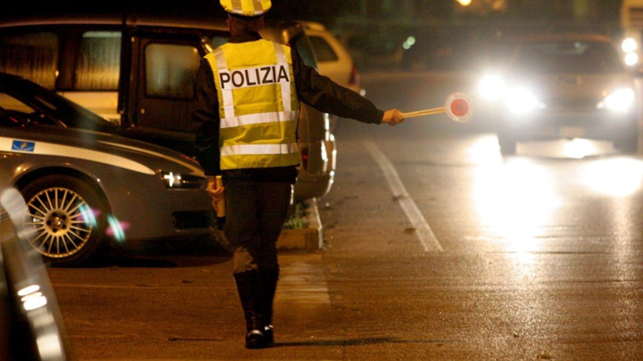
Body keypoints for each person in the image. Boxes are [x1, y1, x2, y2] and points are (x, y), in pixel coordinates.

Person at [192, 0, 405, 349]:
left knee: (245, 247)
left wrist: (212, 173)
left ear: (229, 22)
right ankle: (267, 323)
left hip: (238, 172)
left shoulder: (212, 64)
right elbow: (326, 93)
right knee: (267, 246)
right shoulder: (284, 57)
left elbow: (202, 125)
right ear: (260, 22)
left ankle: (255, 327)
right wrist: (376, 114)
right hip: (280, 170)